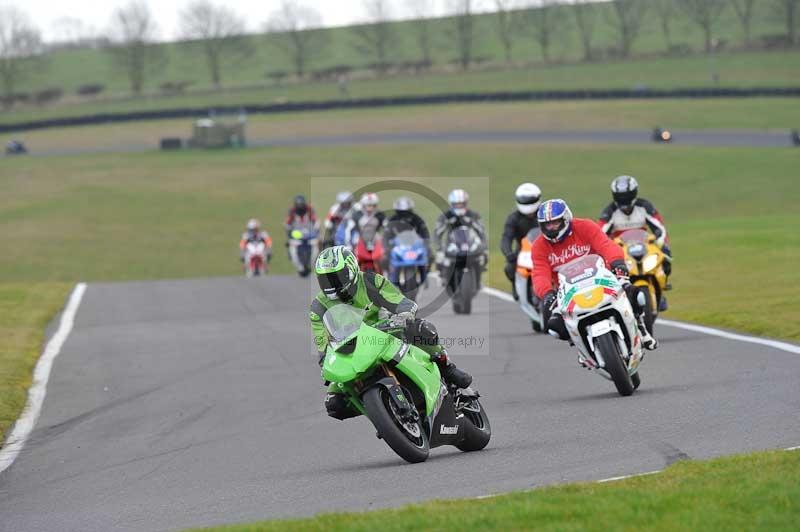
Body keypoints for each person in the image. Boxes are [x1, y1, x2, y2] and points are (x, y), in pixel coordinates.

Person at [309, 246, 473, 420]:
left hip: (385, 331)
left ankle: (447, 368)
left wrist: (404, 315)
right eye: (325, 279)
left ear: (351, 270)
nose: (331, 284)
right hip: (352, 350)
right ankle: (381, 413)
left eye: (336, 277)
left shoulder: (370, 281)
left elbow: (399, 301)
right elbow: (322, 343)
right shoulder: (318, 306)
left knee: (422, 329)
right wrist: (325, 363)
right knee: (334, 404)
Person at [532, 199, 658, 351]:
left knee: (635, 295)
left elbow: (606, 245)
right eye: (547, 224)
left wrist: (617, 263)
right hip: (568, 292)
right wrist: (546, 293)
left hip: (601, 279)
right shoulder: (539, 246)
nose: (551, 227)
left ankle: (641, 328)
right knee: (554, 328)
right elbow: (539, 273)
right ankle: (582, 348)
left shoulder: (585, 226)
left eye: (555, 223)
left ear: (566, 218)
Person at [599, 175, 672, 277]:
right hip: (621, 253)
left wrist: (663, 246)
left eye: (627, 196)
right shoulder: (609, 212)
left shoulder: (644, 206)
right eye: (620, 197)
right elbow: (600, 235)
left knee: (665, 263)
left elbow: (660, 228)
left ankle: (659, 286)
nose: (624, 200)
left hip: (645, 249)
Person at [500, 183, 542, 300]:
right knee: (510, 268)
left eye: (530, 201)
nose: (527, 204)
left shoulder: (545, 213)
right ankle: (516, 286)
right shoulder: (513, 218)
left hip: (546, 247)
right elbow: (506, 237)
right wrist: (508, 253)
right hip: (524, 251)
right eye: (524, 201)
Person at [433, 189, 488, 269]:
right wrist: (439, 248)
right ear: (452, 204)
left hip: (470, 244)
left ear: (465, 203)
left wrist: (484, 247)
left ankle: (478, 275)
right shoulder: (445, 216)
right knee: (440, 262)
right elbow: (437, 233)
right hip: (451, 246)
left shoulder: (473, 215)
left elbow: (481, 231)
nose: (459, 206)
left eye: (461, 204)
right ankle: (444, 278)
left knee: (483, 258)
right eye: (456, 204)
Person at [382, 196, 432, 272]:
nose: (404, 214)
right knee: (384, 257)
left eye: (406, 212)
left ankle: (425, 272)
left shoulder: (417, 218)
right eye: (401, 212)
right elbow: (386, 234)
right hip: (396, 245)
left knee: (429, 254)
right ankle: (388, 273)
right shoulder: (392, 219)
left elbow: (424, 231)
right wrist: (387, 246)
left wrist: (425, 242)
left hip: (414, 244)